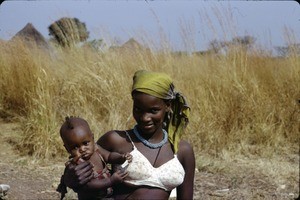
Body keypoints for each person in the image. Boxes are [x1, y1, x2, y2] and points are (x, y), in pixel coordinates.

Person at [63, 70, 195, 200]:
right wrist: (71, 178)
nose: (144, 118)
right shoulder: (116, 140)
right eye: (138, 109)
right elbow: (78, 160)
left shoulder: (182, 150)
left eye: (153, 110)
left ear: (168, 106)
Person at [57, 116, 132, 200]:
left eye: (85, 143)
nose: (82, 149)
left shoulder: (97, 149)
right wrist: (111, 181)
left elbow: (109, 156)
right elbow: (90, 185)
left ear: (92, 138)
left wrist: (121, 157)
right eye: (75, 147)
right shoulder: (77, 165)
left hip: (108, 195)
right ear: (67, 148)